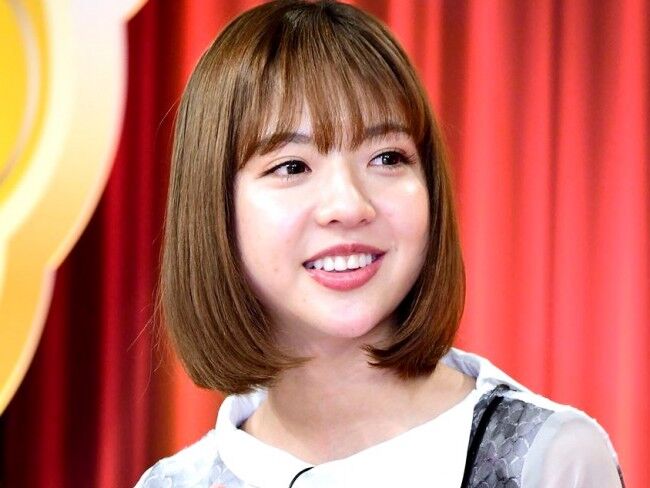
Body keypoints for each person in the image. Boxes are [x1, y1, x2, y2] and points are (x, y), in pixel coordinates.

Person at [136, 1, 624, 486]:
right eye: (292, 166)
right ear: (214, 205)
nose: (350, 205)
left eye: (387, 157)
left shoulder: (549, 461)